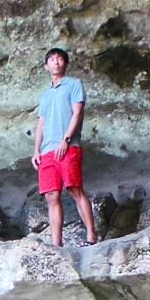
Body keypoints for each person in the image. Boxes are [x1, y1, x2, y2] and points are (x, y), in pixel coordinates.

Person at [31, 47, 97, 246]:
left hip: (68, 146)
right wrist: (36, 150)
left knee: (75, 189)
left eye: (60, 59)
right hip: (47, 150)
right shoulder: (45, 95)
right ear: (46, 66)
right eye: (51, 59)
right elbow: (41, 123)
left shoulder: (74, 84)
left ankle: (91, 237)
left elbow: (77, 113)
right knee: (51, 196)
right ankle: (56, 244)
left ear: (65, 64)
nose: (56, 62)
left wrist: (66, 139)